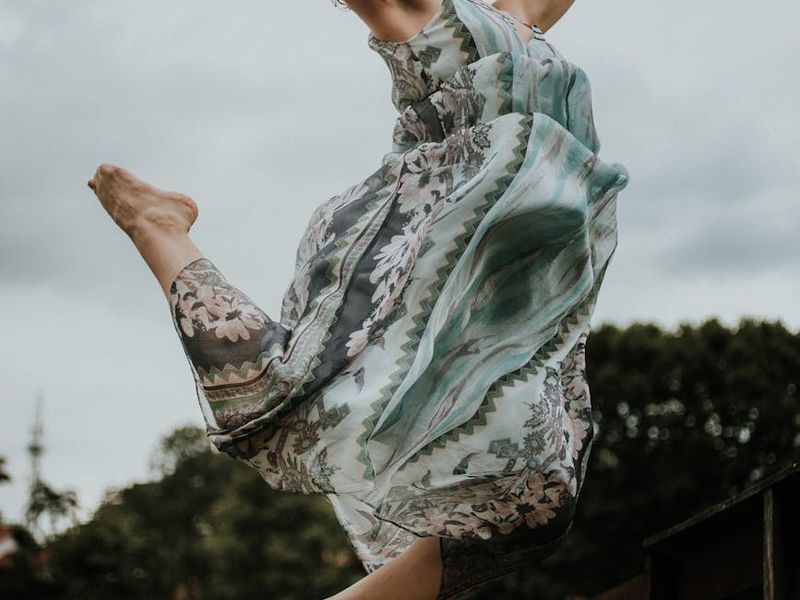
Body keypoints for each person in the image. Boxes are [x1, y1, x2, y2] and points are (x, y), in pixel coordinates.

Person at [87, 0, 629, 597]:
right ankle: (156, 227)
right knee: (286, 401)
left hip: (521, 269)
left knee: (536, 505)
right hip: (450, 225)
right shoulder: (434, 17)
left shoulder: (524, 18)